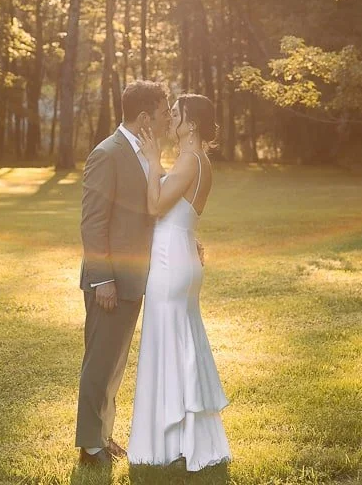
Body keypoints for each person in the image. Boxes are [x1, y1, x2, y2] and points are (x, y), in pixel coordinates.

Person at [126, 92, 231, 471]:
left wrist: (154, 161)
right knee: (179, 341)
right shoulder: (200, 160)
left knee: (167, 341)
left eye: (176, 114)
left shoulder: (189, 159)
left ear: (193, 124)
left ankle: (170, 443)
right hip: (180, 251)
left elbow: (155, 206)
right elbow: (182, 212)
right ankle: (183, 439)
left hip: (171, 260)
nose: (170, 118)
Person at [75, 80, 172, 467]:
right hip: (110, 282)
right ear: (145, 117)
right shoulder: (107, 154)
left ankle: (102, 435)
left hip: (134, 279)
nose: (168, 119)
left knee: (115, 363)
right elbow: (93, 222)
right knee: (100, 363)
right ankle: (90, 448)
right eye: (164, 113)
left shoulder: (145, 152)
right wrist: (103, 279)